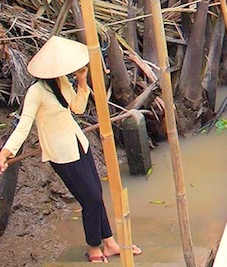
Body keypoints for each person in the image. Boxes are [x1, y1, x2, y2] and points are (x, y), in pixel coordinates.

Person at [0, 37, 143, 262]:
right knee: (91, 200)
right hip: (61, 154)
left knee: (96, 194)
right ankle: (94, 247)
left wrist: (82, 81)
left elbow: (77, 108)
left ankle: (109, 243)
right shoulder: (36, 92)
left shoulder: (62, 82)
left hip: (79, 145)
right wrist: (4, 153)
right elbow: (23, 128)